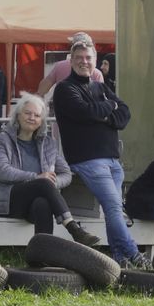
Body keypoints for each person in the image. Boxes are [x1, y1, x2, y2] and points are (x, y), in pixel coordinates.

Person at [51, 35, 141, 266]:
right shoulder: (65, 89)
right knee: (113, 207)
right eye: (79, 58)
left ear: (95, 60)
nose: (84, 62)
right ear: (71, 61)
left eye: (88, 58)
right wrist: (108, 107)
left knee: (113, 210)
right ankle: (134, 254)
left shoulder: (100, 87)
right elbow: (85, 112)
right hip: (88, 160)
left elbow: (124, 114)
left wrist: (104, 116)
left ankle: (119, 258)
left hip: (112, 160)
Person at [0, 93, 98, 243]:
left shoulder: (47, 144)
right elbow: (1, 171)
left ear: (41, 121)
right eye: (27, 113)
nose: (32, 118)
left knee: (43, 204)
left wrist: (51, 183)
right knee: (43, 183)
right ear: (18, 115)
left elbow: (66, 174)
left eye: (37, 115)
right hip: (8, 201)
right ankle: (73, 227)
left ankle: (43, 251)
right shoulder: (3, 140)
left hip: (32, 203)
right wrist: (37, 178)